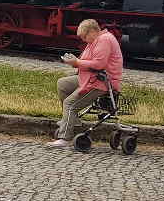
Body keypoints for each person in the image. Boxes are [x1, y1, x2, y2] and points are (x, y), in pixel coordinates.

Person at [47, 19, 123, 148]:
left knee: (69, 103)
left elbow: (99, 64)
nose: (83, 40)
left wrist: (77, 62)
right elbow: (86, 61)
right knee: (63, 84)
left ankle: (65, 138)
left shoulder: (104, 40)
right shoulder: (97, 40)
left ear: (92, 31)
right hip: (90, 77)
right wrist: (74, 62)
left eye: (84, 36)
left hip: (101, 82)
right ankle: (72, 120)